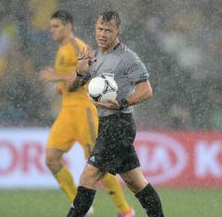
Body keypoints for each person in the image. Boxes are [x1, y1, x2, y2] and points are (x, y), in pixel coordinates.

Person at [66, 11, 164, 217]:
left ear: (118, 31)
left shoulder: (128, 58)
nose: (102, 34)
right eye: (99, 29)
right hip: (106, 124)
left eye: (108, 30)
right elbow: (71, 88)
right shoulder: (95, 57)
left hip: (120, 124)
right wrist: (80, 72)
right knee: (135, 182)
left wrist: (121, 103)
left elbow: (146, 90)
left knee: (88, 176)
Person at [39, 10, 134, 217]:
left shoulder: (78, 47)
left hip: (84, 112)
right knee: (51, 158)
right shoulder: (62, 49)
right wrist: (62, 86)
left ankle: (125, 211)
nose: (52, 30)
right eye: (51, 26)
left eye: (56, 26)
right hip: (67, 113)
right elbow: (71, 82)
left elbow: (86, 75)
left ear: (68, 26)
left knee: (99, 163)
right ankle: (81, 205)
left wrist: (57, 77)